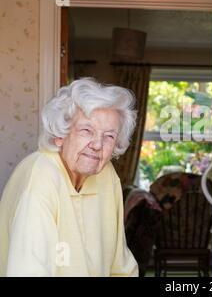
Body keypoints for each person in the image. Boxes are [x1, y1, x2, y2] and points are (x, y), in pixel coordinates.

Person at [0, 78, 139, 276]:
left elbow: (121, 267)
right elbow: (29, 271)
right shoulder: (40, 177)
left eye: (109, 136)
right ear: (60, 134)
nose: (97, 144)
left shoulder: (107, 176)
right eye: (86, 130)